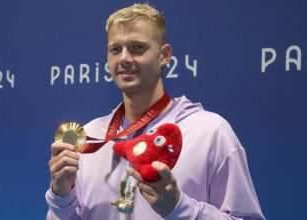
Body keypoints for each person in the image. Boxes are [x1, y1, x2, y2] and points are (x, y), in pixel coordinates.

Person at [46, 3, 266, 220]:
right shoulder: (91, 138)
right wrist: (62, 197)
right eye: (115, 49)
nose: (124, 58)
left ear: (165, 55)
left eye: (137, 47)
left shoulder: (210, 133)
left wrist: (180, 209)